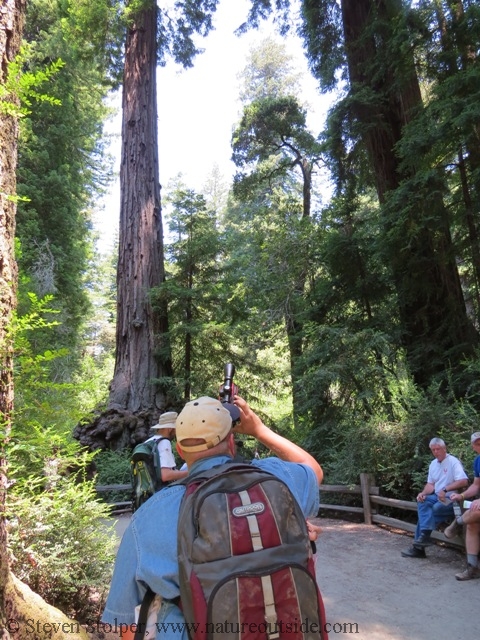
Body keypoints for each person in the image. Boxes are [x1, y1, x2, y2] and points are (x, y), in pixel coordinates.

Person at [102, 395, 323, 639]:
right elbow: (313, 470)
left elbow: (123, 623)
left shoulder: (150, 515)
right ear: (231, 441)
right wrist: (258, 430)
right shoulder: (273, 477)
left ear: (179, 449)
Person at [401, 437, 468, 559]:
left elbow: (463, 481)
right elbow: (430, 485)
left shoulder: (453, 462)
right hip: (436, 496)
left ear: (444, 448)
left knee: (434, 510)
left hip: (452, 499)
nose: (436, 452)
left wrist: (445, 489)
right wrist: (423, 493)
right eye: (433, 450)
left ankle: (419, 547)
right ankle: (423, 539)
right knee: (422, 501)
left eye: (438, 449)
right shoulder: (433, 464)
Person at [444, 431, 480, 580]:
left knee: (477, 510)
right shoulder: (478, 461)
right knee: (472, 522)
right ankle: (472, 568)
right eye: (477, 443)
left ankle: (457, 523)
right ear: (473, 446)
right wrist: (462, 495)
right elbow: (476, 485)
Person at [147, 412, 188, 484]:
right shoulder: (164, 442)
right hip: (161, 489)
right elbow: (166, 475)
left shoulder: (149, 441)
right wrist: (191, 472)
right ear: (170, 429)